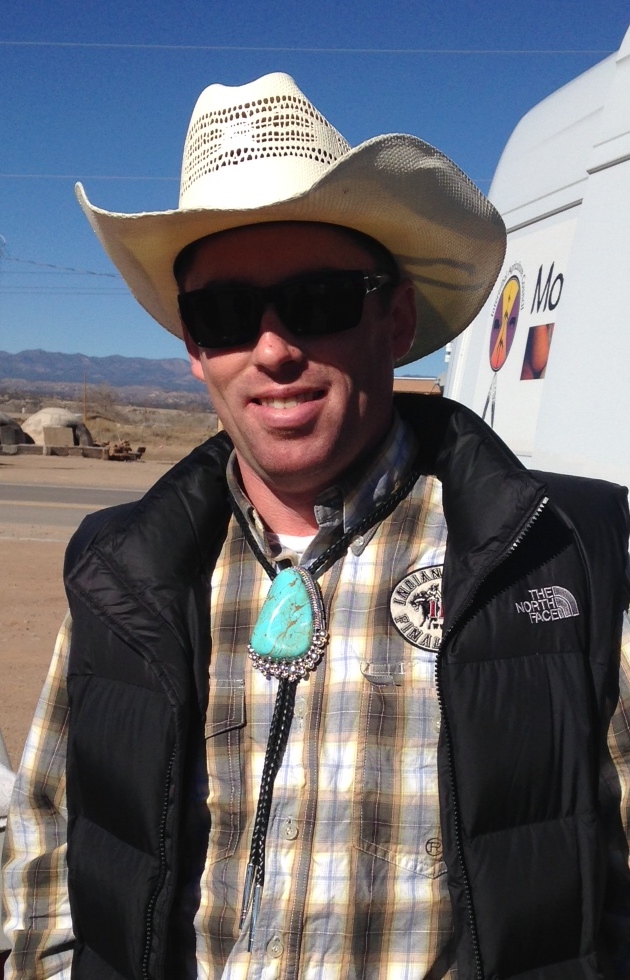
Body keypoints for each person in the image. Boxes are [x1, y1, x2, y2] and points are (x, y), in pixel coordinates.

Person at [3, 72, 630, 980]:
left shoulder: (560, 560)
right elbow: (50, 844)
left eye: (320, 300)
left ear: (396, 317)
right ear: (194, 350)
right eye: (224, 314)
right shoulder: (119, 572)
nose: (272, 348)